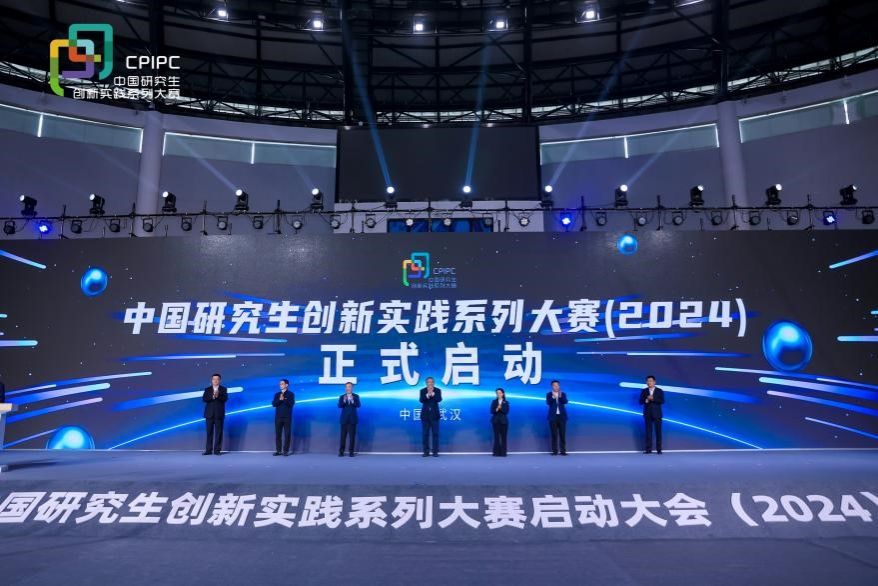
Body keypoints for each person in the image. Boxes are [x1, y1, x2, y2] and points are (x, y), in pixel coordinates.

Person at [202, 373, 228, 455]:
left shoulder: (223, 389)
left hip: (219, 414)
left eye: (217, 379)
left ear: (220, 380)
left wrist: (218, 395)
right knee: (209, 432)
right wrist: (212, 397)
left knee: (218, 433)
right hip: (209, 414)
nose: (215, 381)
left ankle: (217, 450)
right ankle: (208, 450)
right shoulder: (207, 389)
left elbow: (225, 399)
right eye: (214, 379)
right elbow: (204, 399)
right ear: (212, 380)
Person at [639, 375, 664, 454]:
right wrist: (646, 400)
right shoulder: (644, 391)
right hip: (647, 414)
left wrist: (653, 399)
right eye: (647, 381)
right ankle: (648, 450)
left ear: (654, 382)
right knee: (648, 432)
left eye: (650, 381)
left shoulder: (659, 390)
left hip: (657, 414)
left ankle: (659, 450)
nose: (649, 382)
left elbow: (662, 401)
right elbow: (640, 401)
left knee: (658, 432)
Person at [419, 376, 442, 457]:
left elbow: (439, 399)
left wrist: (432, 394)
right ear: (426, 383)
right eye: (428, 382)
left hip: (435, 416)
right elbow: (421, 400)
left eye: (432, 382)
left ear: (434, 383)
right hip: (425, 416)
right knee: (425, 434)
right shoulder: (422, 391)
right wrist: (427, 395)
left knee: (435, 434)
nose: (430, 383)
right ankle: (426, 452)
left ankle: (435, 452)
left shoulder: (438, 390)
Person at [272, 378, 295, 456]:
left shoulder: (291, 394)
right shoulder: (277, 394)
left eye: (282, 384)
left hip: (287, 417)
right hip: (278, 417)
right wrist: (280, 400)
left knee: (287, 434)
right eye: (280, 384)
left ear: (286, 385)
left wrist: (284, 399)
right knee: (278, 434)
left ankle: (285, 451)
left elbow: (291, 404)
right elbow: (274, 404)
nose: (280, 385)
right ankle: (278, 451)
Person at [337, 381, 361, 457]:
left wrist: (352, 400)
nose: (348, 388)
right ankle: (341, 452)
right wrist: (344, 401)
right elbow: (339, 406)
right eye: (347, 387)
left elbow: (358, 405)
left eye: (349, 387)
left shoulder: (356, 396)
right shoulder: (342, 396)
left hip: (353, 419)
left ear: (352, 388)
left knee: (352, 437)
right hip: (344, 419)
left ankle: (351, 452)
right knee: (343, 437)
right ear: (345, 388)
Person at [546, 380, 568, 456]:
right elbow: (548, 403)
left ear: (559, 386)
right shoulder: (549, 394)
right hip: (553, 417)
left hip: (562, 417)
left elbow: (565, 402)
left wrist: (560, 397)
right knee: (554, 434)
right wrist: (553, 397)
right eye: (554, 385)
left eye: (557, 385)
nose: (556, 387)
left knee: (562, 434)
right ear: (552, 386)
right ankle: (554, 451)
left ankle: (563, 451)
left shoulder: (563, 394)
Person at [490, 388, 509, 457]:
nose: (498, 394)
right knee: (496, 437)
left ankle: (503, 453)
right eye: (497, 393)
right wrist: (497, 408)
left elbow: (506, 411)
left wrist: (501, 408)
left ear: (503, 394)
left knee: (504, 437)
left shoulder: (506, 402)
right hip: (495, 421)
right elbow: (491, 411)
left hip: (504, 422)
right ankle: (496, 453)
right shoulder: (494, 401)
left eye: (500, 393)